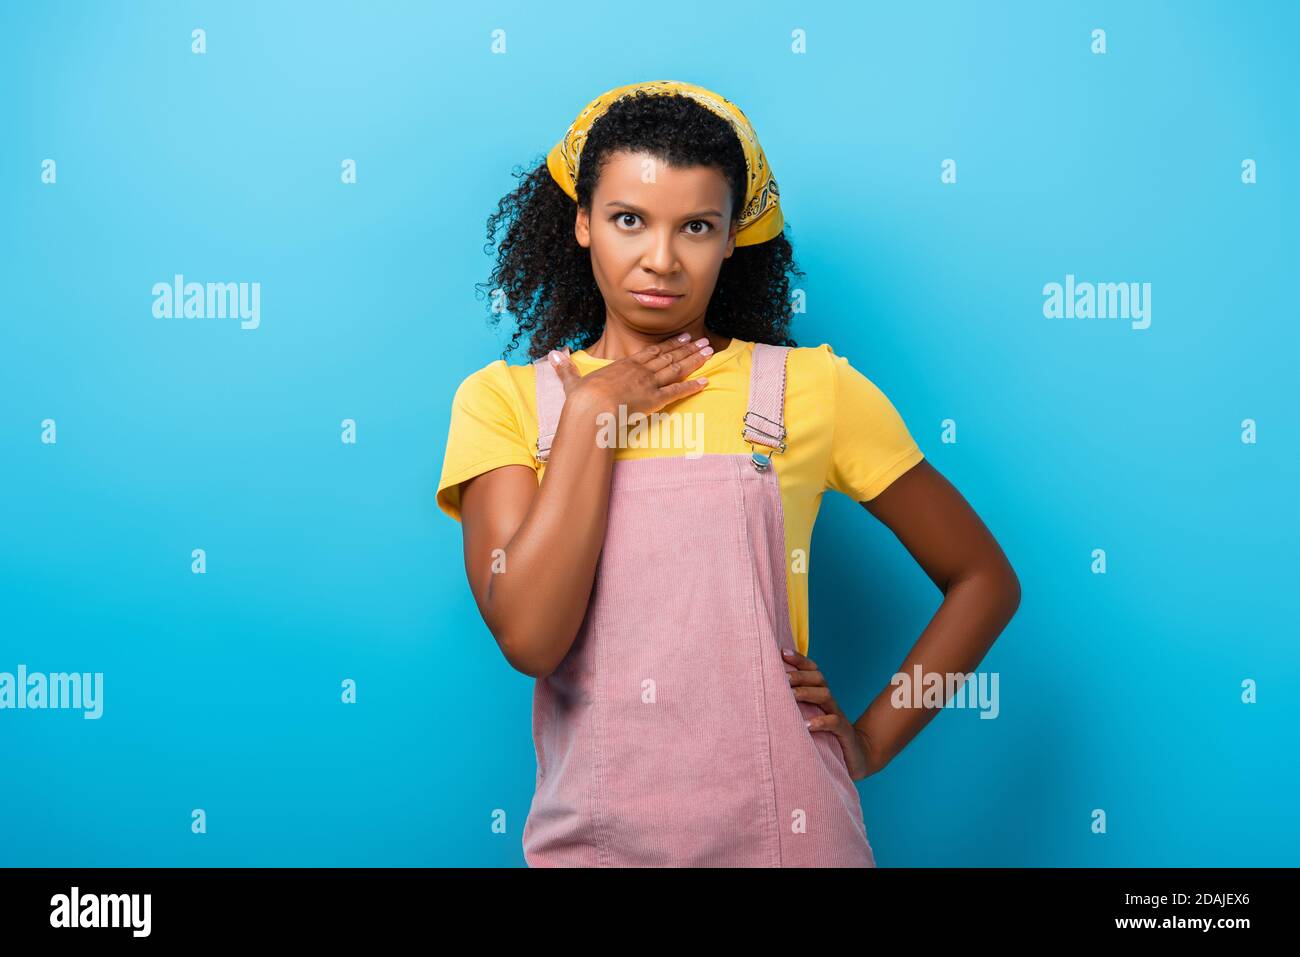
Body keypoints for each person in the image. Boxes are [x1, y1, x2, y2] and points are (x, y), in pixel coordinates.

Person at [437, 80, 1021, 867]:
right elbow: (532, 637)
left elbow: (984, 578)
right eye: (628, 220)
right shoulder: (505, 403)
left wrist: (871, 741)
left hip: (794, 838)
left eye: (697, 227)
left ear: (731, 239)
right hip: (591, 845)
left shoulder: (809, 388)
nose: (661, 258)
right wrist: (589, 421)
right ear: (581, 222)